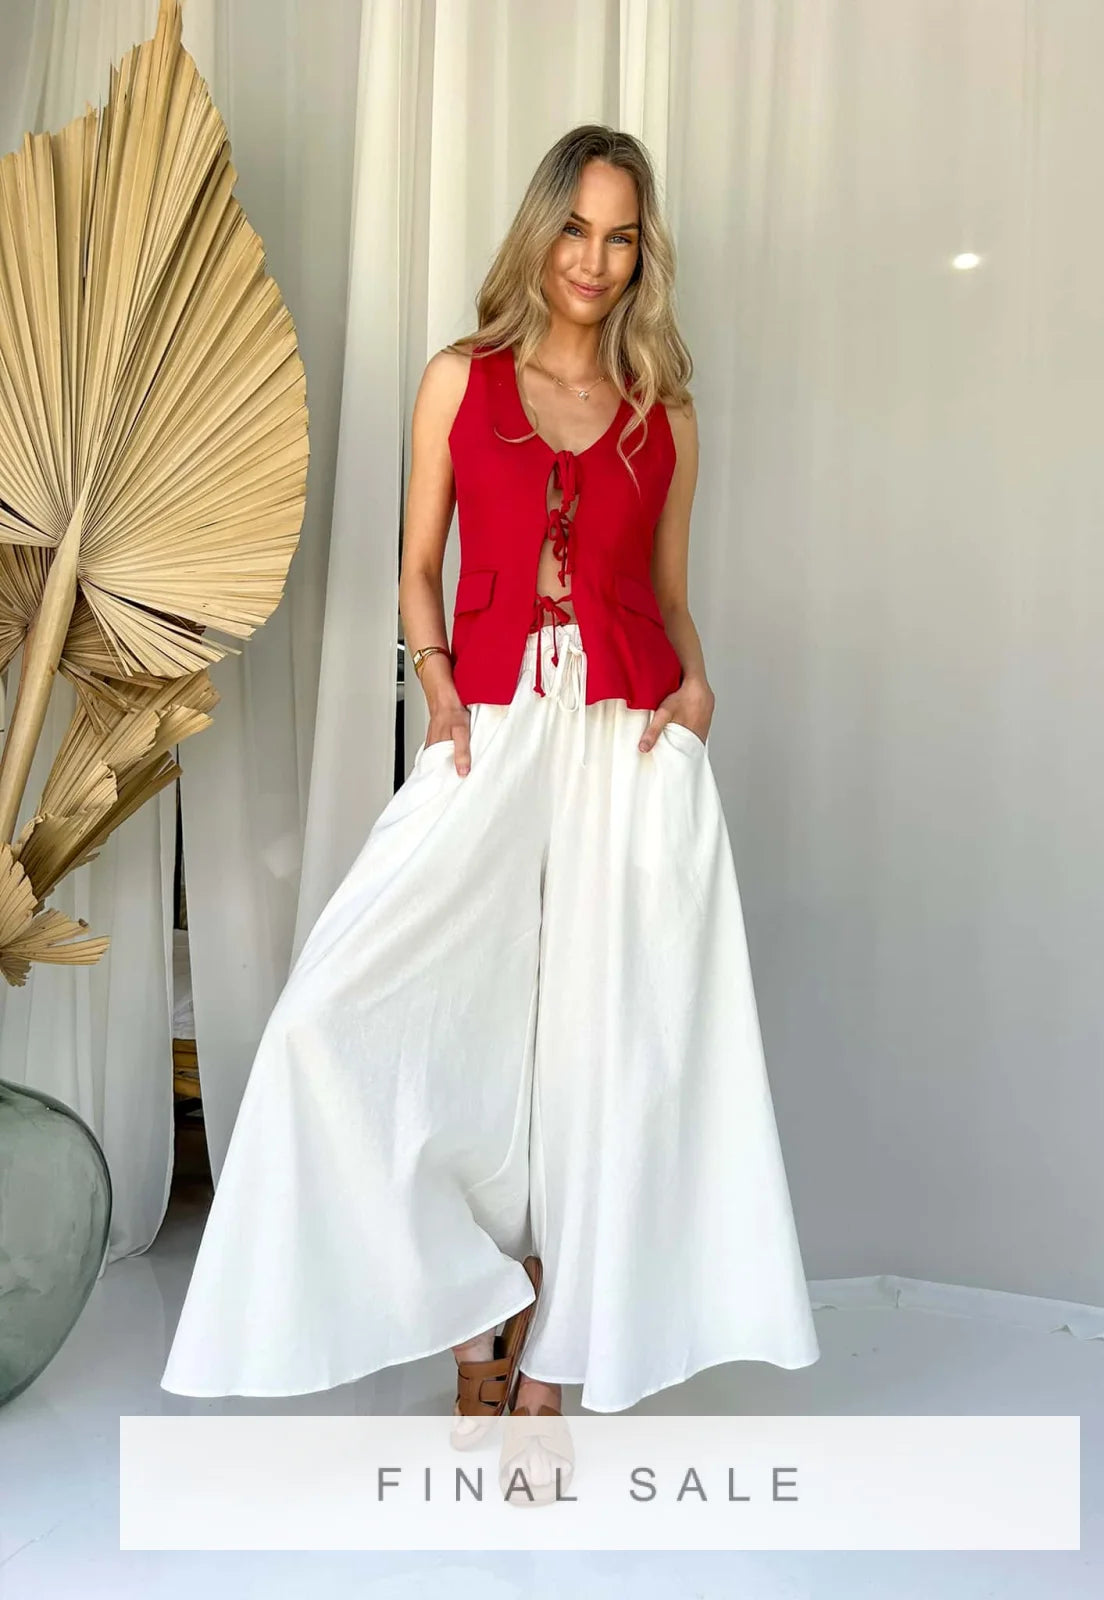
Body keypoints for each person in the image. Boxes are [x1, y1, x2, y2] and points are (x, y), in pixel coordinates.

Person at [161, 124, 820, 1502]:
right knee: (343, 1018)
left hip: (629, 741)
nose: (594, 259)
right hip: (500, 726)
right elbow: (416, 567)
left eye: (621, 236)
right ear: (539, 231)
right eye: (576, 228)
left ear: (643, 254)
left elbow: (672, 594)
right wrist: (439, 684)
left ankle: (552, 1369)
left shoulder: (665, 414)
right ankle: (481, 1309)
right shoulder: (459, 382)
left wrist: (700, 687)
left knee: (612, 1044)